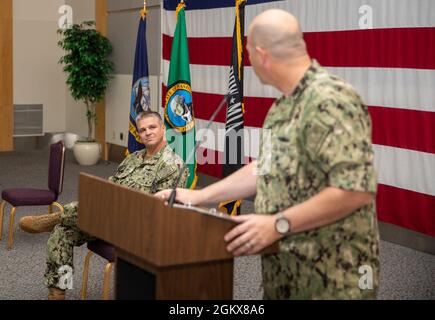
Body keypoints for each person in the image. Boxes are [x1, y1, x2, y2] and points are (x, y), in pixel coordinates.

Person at [156, 9, 380, 299]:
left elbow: (356, 191)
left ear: (261, 54)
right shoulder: (283, 107)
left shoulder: (330, 100)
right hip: (286, 267)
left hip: (331, 276)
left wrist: (278, 223)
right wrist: (200, 196)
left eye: (248, 52)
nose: (248, 60)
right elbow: (265, 168)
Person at [19, 111, 188, 300]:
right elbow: (110, 185)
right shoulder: (133, 158)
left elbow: (160, 211)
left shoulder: (172, 165)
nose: (147, 132)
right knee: (62, 233)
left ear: (163, 129)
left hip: (137, 229)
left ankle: (59, 215)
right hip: (108, 219)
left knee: (73, 216)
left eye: (152, 127)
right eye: (142, 129)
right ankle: (58, 292)